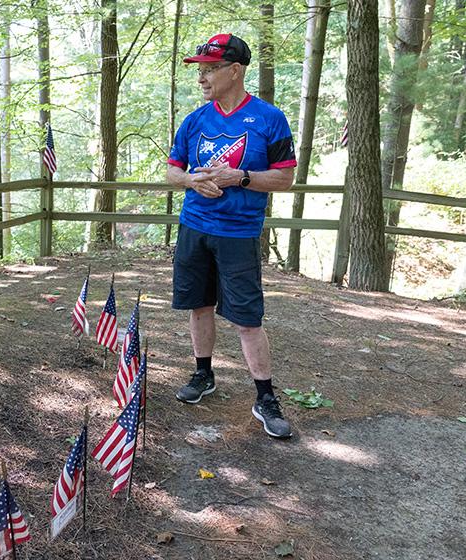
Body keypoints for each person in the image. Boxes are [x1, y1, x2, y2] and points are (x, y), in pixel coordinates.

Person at [166, 34, 297, 439]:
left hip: (238, 233)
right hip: (194, 227)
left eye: (210, 69)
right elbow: (172, 172)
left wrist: (239, 176)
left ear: (234, 71)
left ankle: (265, 397)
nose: (202, 77)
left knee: (247, 318)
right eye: (200, 70)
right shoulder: (195, 120)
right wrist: (191, 181)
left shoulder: (268, 119)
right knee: (199, 305)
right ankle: (203, 374)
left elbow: (285, 178)